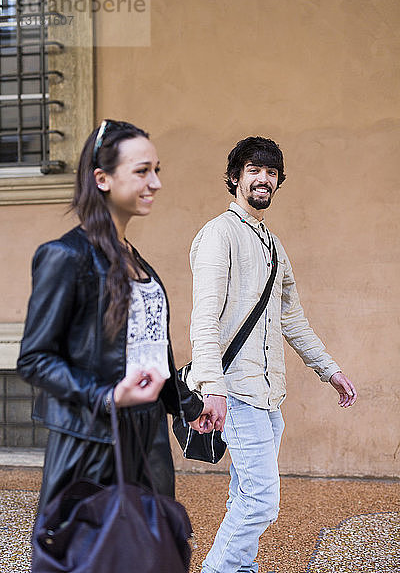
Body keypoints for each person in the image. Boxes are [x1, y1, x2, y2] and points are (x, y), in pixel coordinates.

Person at [17, 119, 207, 516]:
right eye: (142, 171)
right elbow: (35, 359)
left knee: (152, 548)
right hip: (92, 443)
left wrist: (188, 406)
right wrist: (107, 396)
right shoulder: (67, 256)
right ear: (102, 178)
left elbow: (153, 349)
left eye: (156, 170)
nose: (155, 183)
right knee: (93, 553)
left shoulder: (136, 260)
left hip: (148, 435)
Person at [188, 136, 358, 573]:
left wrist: (329, 370)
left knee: (246, 496)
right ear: (234, 178)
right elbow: (204, 318)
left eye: (271, 172)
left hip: (268, 395)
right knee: (262, 502)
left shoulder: (273, 244)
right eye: (253, 170)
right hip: (234, 390)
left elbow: (292, 319)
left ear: (278, 181)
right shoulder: (218, 234)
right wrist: (211, 387)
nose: (263, 178)